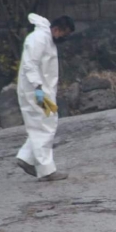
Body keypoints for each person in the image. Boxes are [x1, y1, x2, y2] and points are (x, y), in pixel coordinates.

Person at [15, 13, 75, 182]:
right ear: (56, 29)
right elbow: (30, 64)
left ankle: (26, 157)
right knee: (46, 126)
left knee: (41, 125)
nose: (64, 38)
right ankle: (46, 170)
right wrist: (38, 87)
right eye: (64, 34)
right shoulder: (38, 39)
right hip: (36, 91)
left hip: (38, 89)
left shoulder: (45, 38)